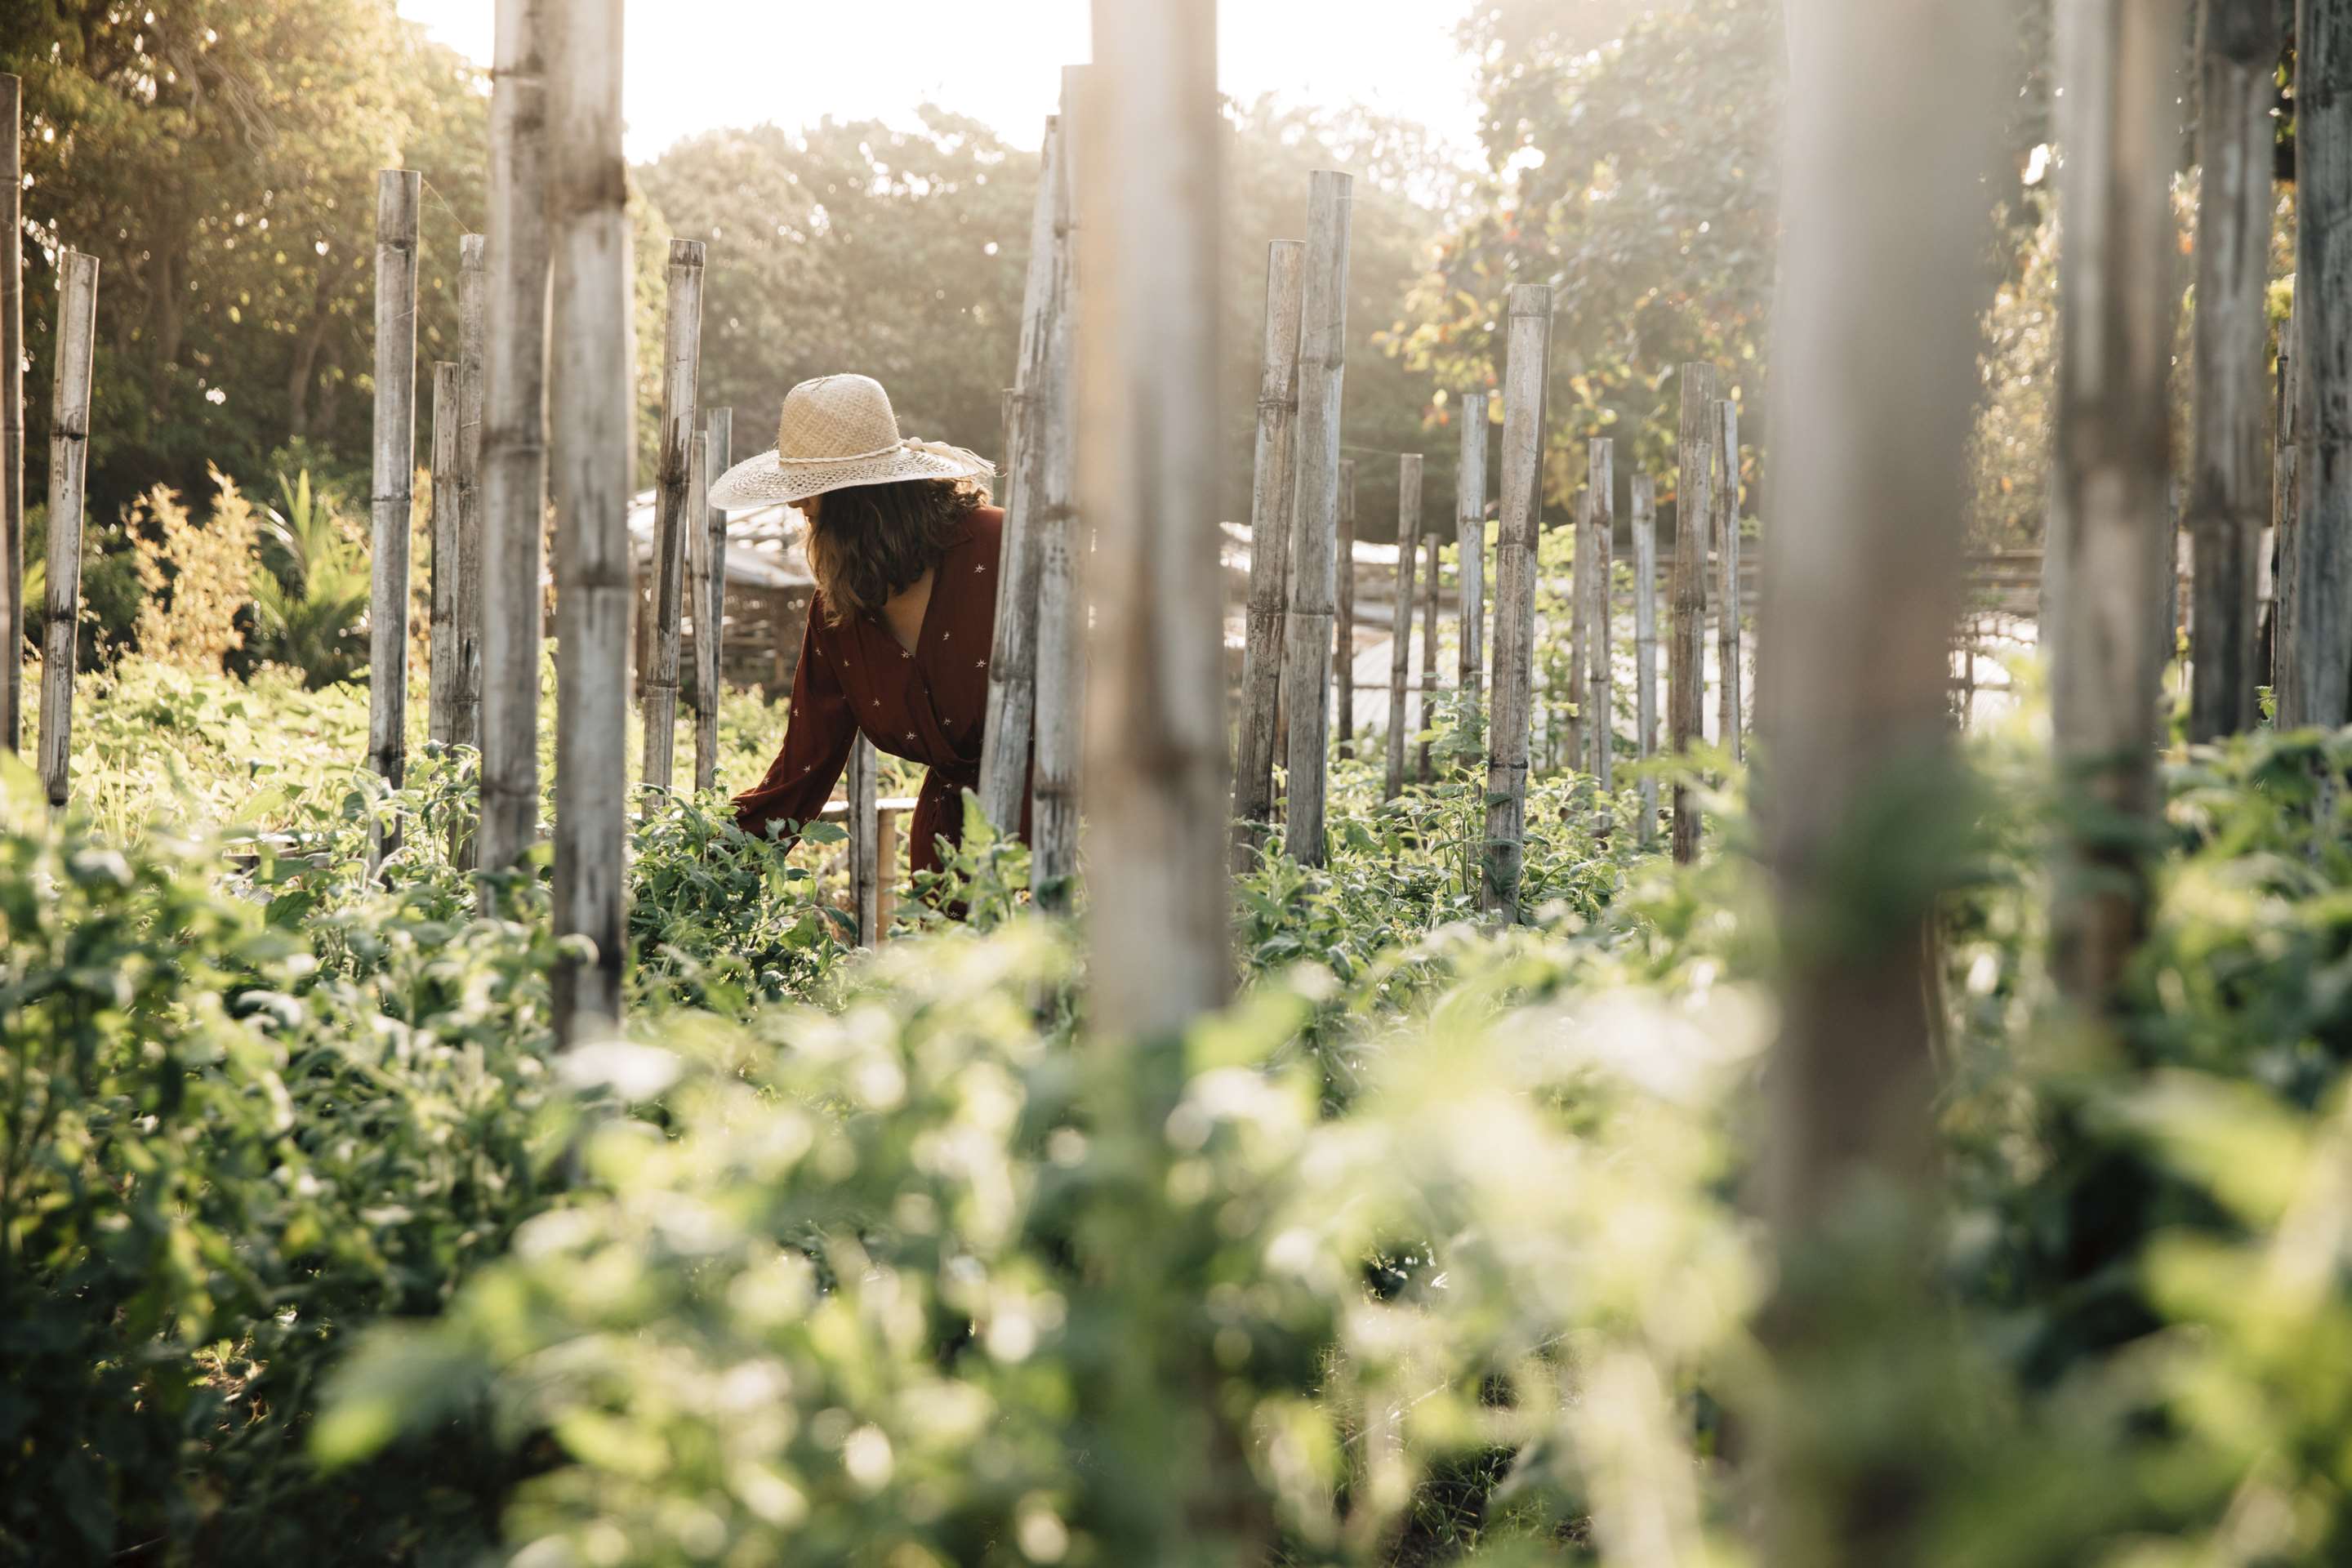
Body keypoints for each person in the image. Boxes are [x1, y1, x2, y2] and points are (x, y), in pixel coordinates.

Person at [710, 372, 1025, 883]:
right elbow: (800, 772)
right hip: (945, 865)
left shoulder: (1002, 547)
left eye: (808, 491)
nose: (795, 505)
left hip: (1054, 842)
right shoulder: (840, 610)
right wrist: (696, 866)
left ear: (857, 498)